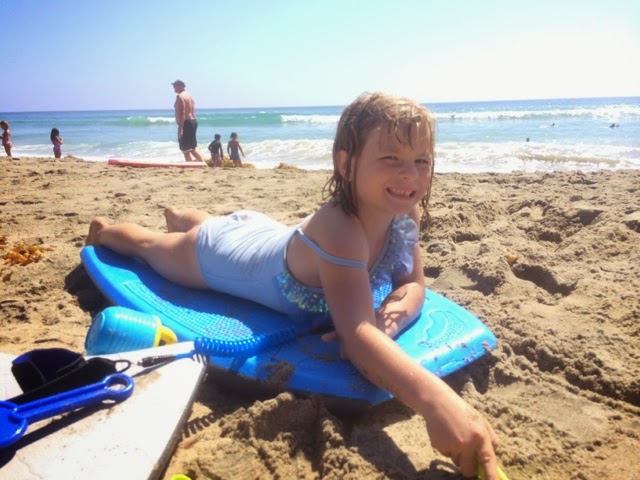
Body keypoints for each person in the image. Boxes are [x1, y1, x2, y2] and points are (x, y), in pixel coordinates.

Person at [86, 92, 500, 479]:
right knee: (153, 248)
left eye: (422, 160)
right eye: (391, 157)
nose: (410, 173)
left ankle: (186, 217)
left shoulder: (404, 211)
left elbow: (412, 286)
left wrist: (386, 322)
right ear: (346, 164)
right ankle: (107, 231)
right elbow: (356, 338)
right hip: (219, 257)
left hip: (265, 234)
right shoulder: (341, 228)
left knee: (222, 225)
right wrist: (437, 403)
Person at [172, 80, 204, 163]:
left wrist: (180, 128)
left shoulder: (180, 96)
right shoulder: (189, 95)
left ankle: (190, 165)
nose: (173, 88)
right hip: (193, 122)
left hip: (186, 123)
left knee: (185, 150)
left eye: (175, 86)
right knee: (192, 148)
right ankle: (202, 164)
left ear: (181, 86)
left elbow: (182, 112)